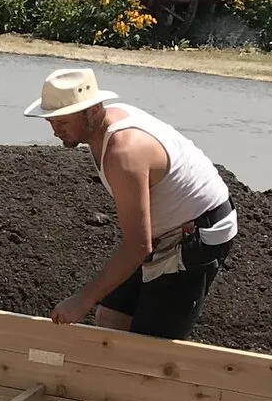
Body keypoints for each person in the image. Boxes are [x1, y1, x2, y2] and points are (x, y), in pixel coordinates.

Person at [26, 67, 238, 338]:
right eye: (52, 122)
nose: (56, 130)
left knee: (149, 345)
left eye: (63, 122)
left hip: (198, 235)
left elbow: (139, 245)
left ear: (91, 112)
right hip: (166, 228)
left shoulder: (125, 153)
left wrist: (82, 300)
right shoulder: (101, 130)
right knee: (111, 320)